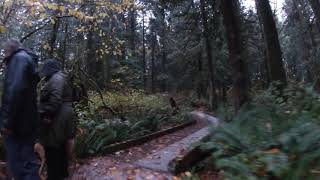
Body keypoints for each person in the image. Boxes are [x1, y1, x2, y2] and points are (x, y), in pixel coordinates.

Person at [0, 39, 40, 180]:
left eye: (5, 51)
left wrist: (6, 122)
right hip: (27, 121)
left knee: (20, 164)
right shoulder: (27, 59)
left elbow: (14, 91)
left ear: (10, 49)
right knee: (27, 161)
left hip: (17, 125)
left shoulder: (18, 59)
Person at [36, 59, 76, 180]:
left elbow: (55, 100)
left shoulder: (56, 79)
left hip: (59, 114)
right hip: (64, 112)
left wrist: (45, 114)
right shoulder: (61, 77)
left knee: (52, 145)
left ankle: (54, 175)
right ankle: (62, 173)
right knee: (60, 144)